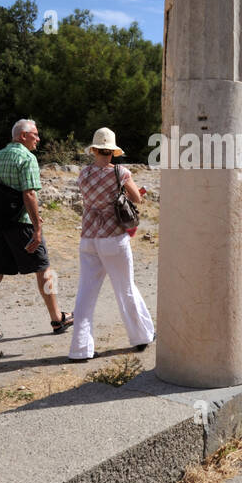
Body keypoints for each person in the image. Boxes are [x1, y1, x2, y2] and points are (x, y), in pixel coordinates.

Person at [0, 118, 73, 344]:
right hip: (21, 223)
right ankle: (57, 318)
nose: (38, 138)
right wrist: (37, 228)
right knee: (44, 269)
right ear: (23, 136)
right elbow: (28, 194)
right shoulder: (27, 158)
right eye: (35, 135)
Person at [68, 127, 154, 362]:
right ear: (114, 151)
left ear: (94, 149)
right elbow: (136, 198)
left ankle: (79, 349)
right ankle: (140, 336)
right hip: (113, 237)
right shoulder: (120, 172)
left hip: (88, 237)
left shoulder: (83, 173)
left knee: (85, 294)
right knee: (125, 288)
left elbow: (90, 197)